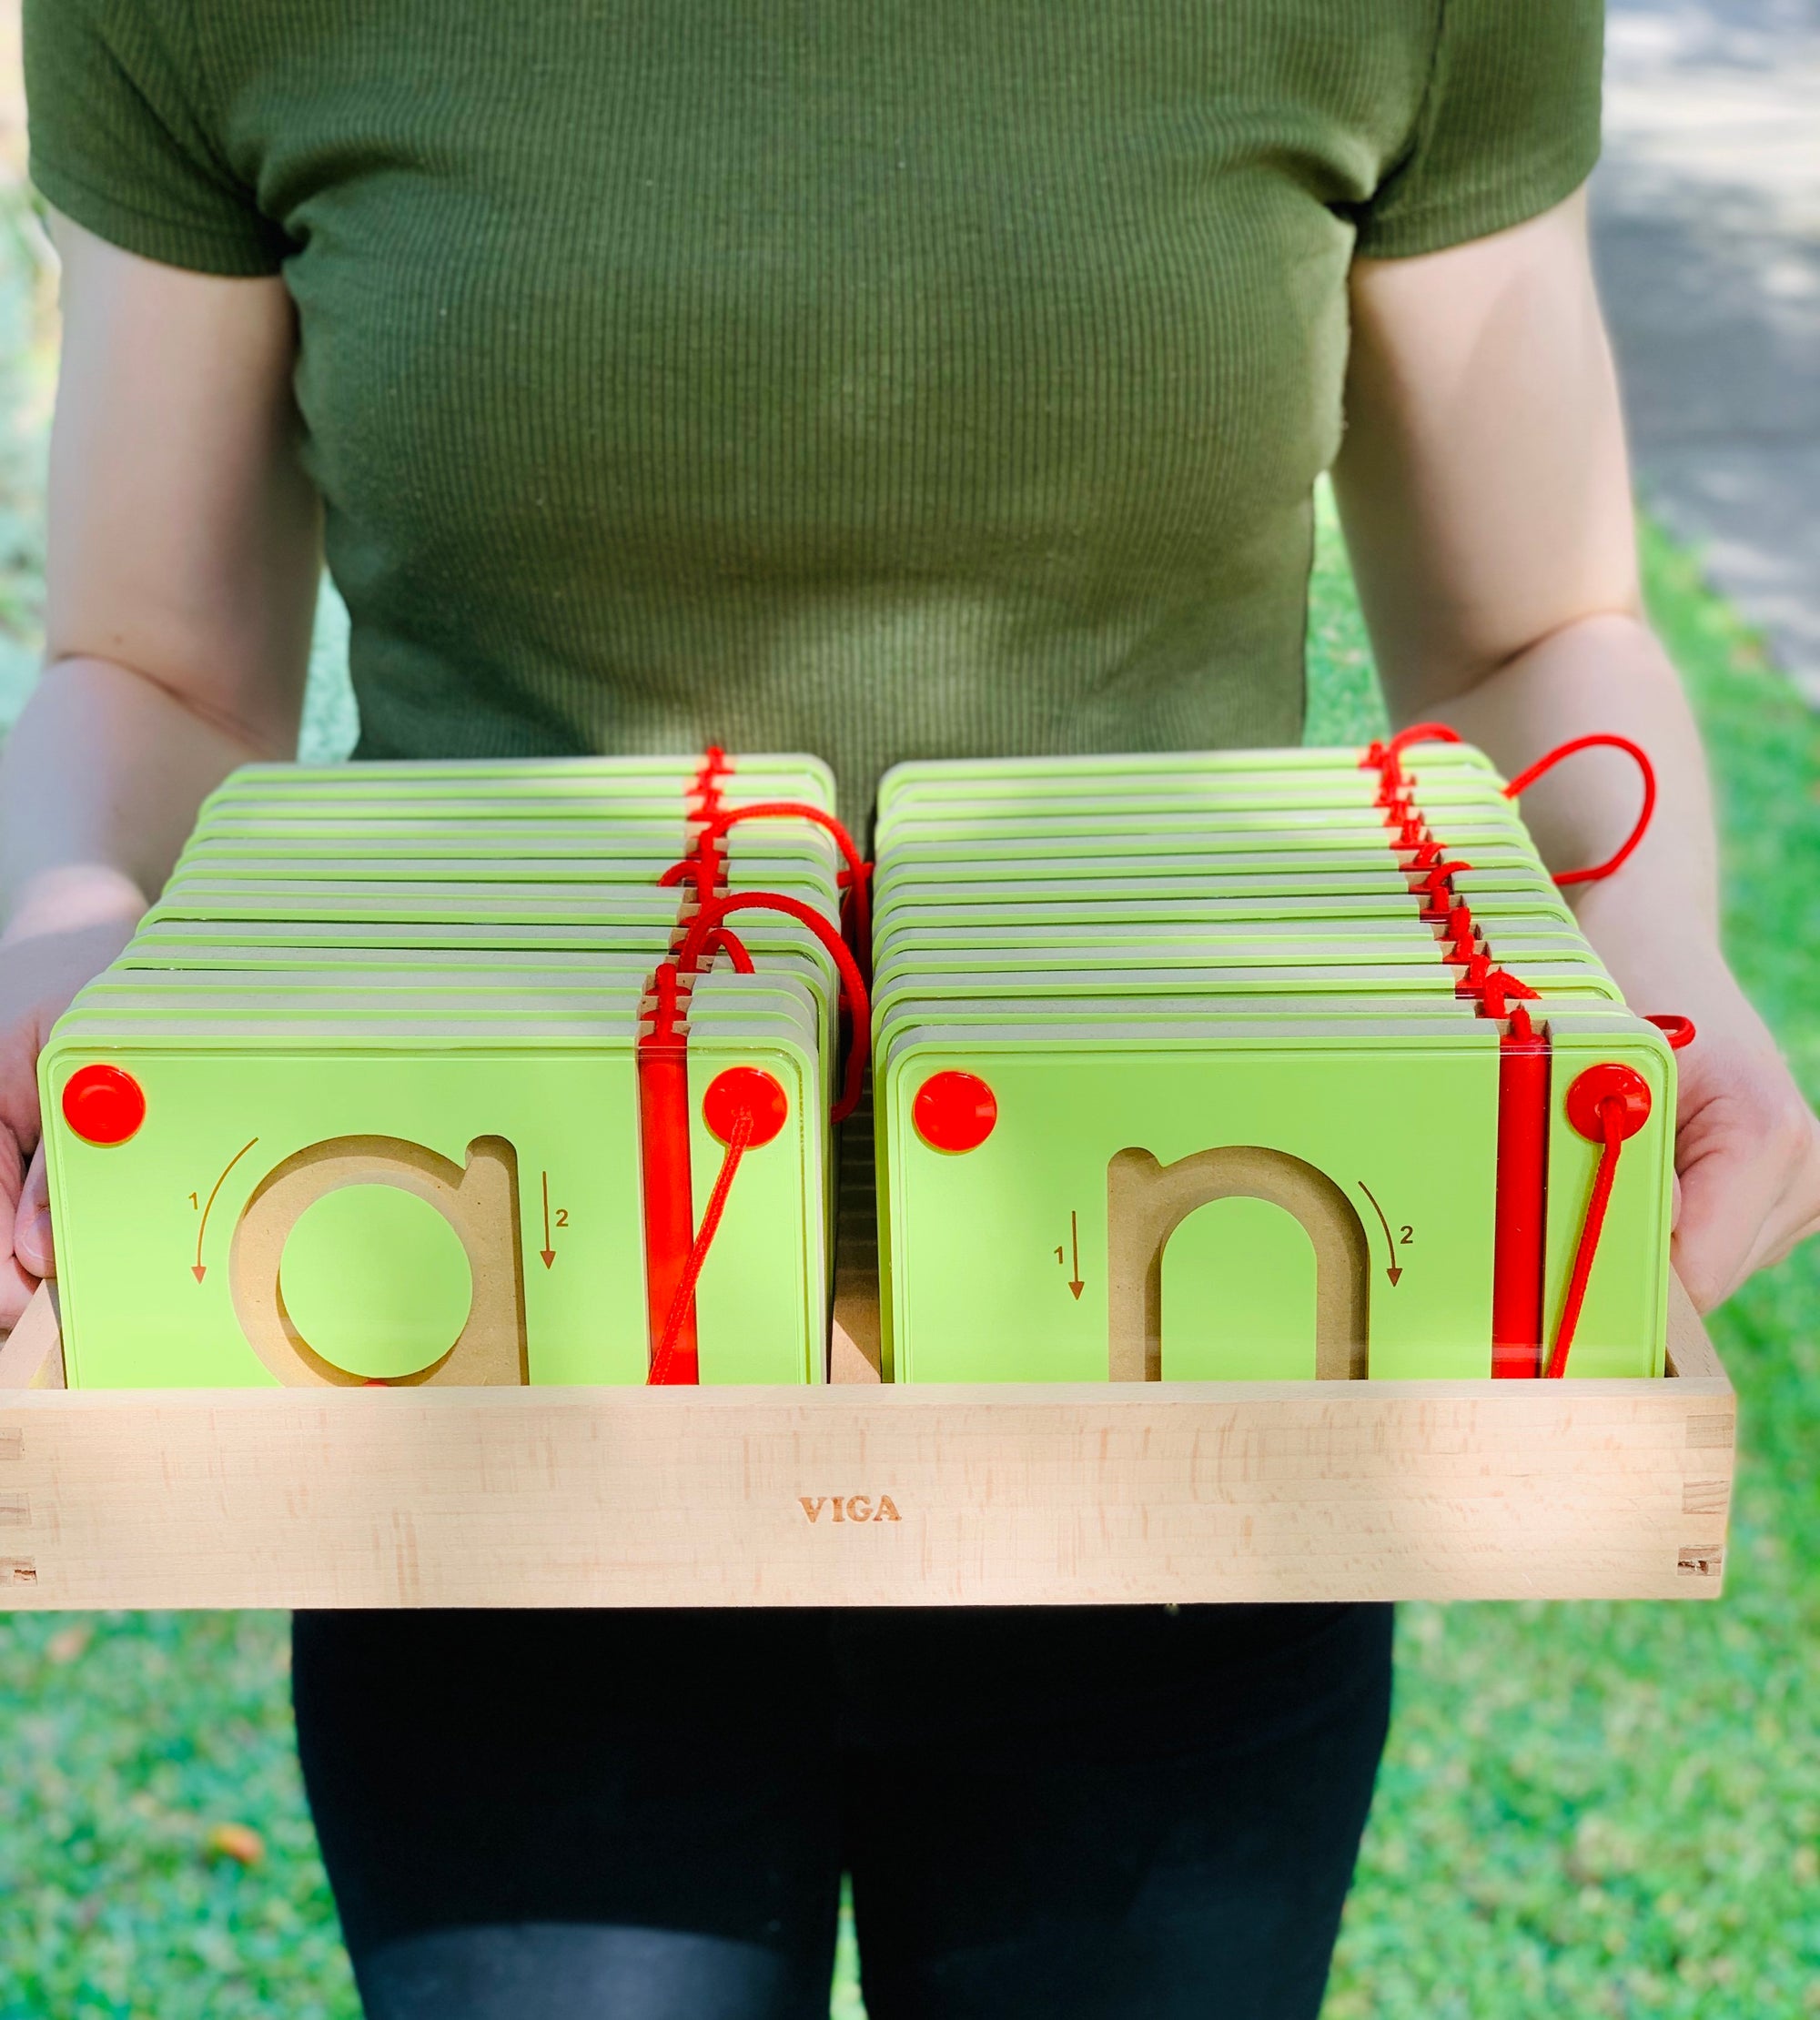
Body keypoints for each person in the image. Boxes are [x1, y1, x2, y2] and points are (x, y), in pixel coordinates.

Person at [5, 3, 1817, 2015]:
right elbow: (155, 662)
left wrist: (1647, 973)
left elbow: (1524, 628)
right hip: (490, 1401)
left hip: (1201, 1388)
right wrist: (50, 959)